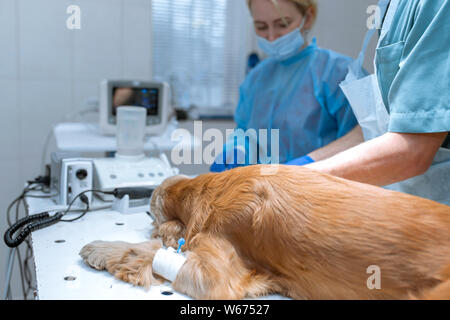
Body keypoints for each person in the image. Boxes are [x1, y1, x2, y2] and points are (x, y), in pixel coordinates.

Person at [289, 0, 450, 205]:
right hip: (407, 203)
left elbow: (413, 149)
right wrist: (303, 165)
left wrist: (292, 182)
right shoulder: (392, 7)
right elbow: (379, 127)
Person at [210, 0, 358, 172]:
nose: (272, 37)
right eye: (261, 27)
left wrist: (310, 164)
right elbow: (245, 130)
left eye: (283, 24)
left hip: (323, 190)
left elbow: (363, 141)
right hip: (265, 191)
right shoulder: (255, 78)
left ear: (307, 17)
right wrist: (239, 148)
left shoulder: (339, 73)